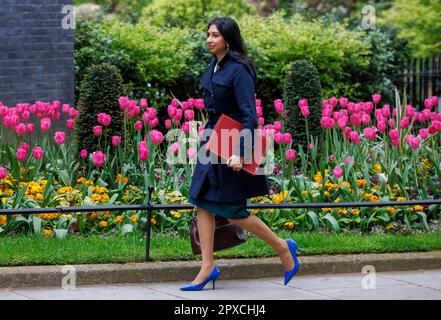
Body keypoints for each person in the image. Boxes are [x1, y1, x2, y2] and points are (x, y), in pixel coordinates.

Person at [181, 17, 300, 291]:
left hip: (231, 143)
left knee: (233, 211)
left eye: (215, 35)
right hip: (211, 140)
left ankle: (283, 247)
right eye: (208, 35)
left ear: (228, 39)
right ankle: (207, 266)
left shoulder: (240, 70)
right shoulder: (214, 66)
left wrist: (241, 152)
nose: (209, 40)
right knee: (200, 202)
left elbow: (249, 115)